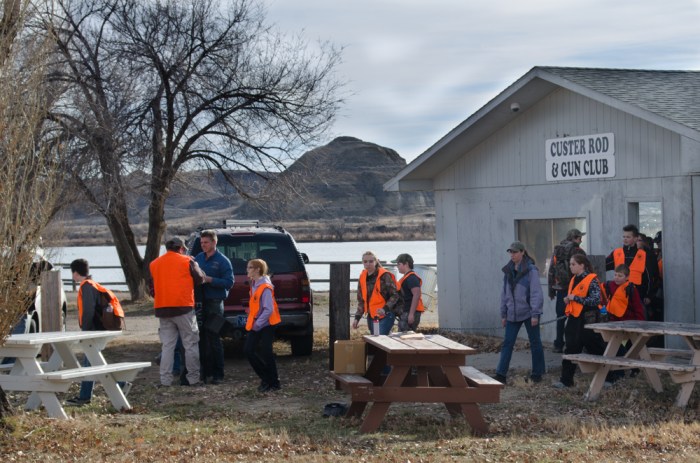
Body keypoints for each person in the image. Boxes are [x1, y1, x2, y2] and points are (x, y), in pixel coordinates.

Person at [66, 258, 126, 406]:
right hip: (101, 329)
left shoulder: (86, 286)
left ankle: (119, 384)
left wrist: (85, 332)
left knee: (91, 364)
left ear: (75, 272)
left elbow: (88, 311)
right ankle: (85, 396)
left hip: (94, 331)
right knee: (91, 363)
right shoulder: (93, 284)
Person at [150, 237, 207, 387]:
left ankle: (165, 381)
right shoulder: (187, 261)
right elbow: (200, 279)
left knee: (167, 346)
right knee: (190, 344)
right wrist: (195, 264)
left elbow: (152, 288)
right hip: (184, 308)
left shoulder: (154, 264)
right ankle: (193, 379)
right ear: (181, 248)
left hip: (162, 309)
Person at [553, 254, 608, 389]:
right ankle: (566, 380)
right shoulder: (573, 279)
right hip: (574, 319)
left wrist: (575, 298)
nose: (570, 267)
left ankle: (611, 376)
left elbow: (596, 300)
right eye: (570, 264)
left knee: (596, 348)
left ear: (582, 265)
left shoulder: (591, 279)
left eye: (573, 264)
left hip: (587, 320)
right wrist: (569, 299)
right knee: (570, 348)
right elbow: (575, 297)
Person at [494, 241, 545, 384]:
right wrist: (504, 314)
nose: (512, 254)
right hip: (512, 314)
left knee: (535, 342)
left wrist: (535, 314)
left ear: (523, 252)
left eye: (515, 252)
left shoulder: (531, 270)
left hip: (529, 313)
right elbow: (504, 293)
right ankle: (500, 374)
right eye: (510, 252)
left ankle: (537, 373)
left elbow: (536, 293)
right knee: (507, 343)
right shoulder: (508, 270)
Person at [195, 230, 234, 385]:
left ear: (214, 242)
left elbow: (229, 283)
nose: (203, 245)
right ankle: (205, 372)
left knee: (214, 337)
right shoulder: (198, 258)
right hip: (200, 303)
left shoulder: (223, 261)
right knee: (201, 337)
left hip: (215, 303)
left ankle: (218, 374)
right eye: (202, 242)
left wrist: (210, 280)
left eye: (206, 242)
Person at [244, 258, 281, 392]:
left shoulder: (265, 287)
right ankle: (267, 379)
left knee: (266, 353)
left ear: (257, 269)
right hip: (257, 323)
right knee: (249, 350)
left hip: (267, 324)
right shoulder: (254, 283)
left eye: (249, 267)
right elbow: (258, 305)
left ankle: (273, 382)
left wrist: (257, 324)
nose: (247, 270)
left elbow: (269, 309)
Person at [547, 228, 587, 353]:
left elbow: (551, 270)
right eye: (580, 238)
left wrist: (551, 290)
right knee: (577, 317)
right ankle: (574, 344)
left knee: (560, 317)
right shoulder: (578, 251)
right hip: (575, 290)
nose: (581, 240)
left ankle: (558, 344)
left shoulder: (557, 250)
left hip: (560, 289)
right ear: (575, 238)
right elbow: (585, 270)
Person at [605, 224, 656, 312]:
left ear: (635, 239)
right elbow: (602, 266)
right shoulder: (616, 253)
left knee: (639, 321)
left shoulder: (643, 255)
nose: (625, 239)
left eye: (628, 237)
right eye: (624, 236)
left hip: (638, 295)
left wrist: (648, 295)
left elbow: (649, 278)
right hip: (619, 295)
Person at [352, 251, 401, 335]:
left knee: (380, 339)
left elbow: (395, 295)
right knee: (375, 341)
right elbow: (361, 301)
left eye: (371, 261)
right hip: (372, 316)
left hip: (386, 314)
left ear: (376, 261)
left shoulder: (384, 275)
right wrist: (357, 318)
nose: (368, 264)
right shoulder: (362, 277)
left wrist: (384, 309)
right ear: (362, 263)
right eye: (365, 261)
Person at [393, 253, 424, 332]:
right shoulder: (406, 277)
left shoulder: (412, 278)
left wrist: (411, 314)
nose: (397, 266)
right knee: (404, 335)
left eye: (399, 264)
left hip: (410, 312)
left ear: (406, 264)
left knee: (406, 336)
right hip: (406, 311)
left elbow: (416, 295)